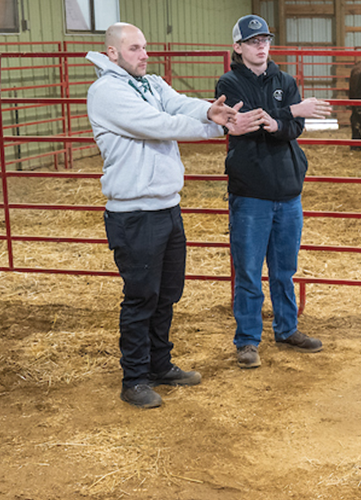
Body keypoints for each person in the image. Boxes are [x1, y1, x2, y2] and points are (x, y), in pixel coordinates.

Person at [86, 23, 240, 408]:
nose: (144, 54)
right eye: (135, 48)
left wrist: (208, 109)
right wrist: (211, 128)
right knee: (141, 297)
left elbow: (177, 103)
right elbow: (156, 124)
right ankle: (134, 377)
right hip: (134, 213)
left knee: (166, 294)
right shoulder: (106, 92)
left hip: (166, 206)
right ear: (112, 53)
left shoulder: (149, 83)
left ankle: (159, 364)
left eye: (144, 48)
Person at [215, 15, 333, 370]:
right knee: (249, 271)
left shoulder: (285, 80)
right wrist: (291, 111)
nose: (261, 45)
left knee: (284, 269)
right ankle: (248, 340)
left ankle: (287, 328)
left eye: (264, 39)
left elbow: (291, 128)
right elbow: (242, 123)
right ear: (238, 48)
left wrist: (280, 120)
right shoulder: (229, 82)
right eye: (253, 41)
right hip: (251, 192)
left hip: (287, 189)